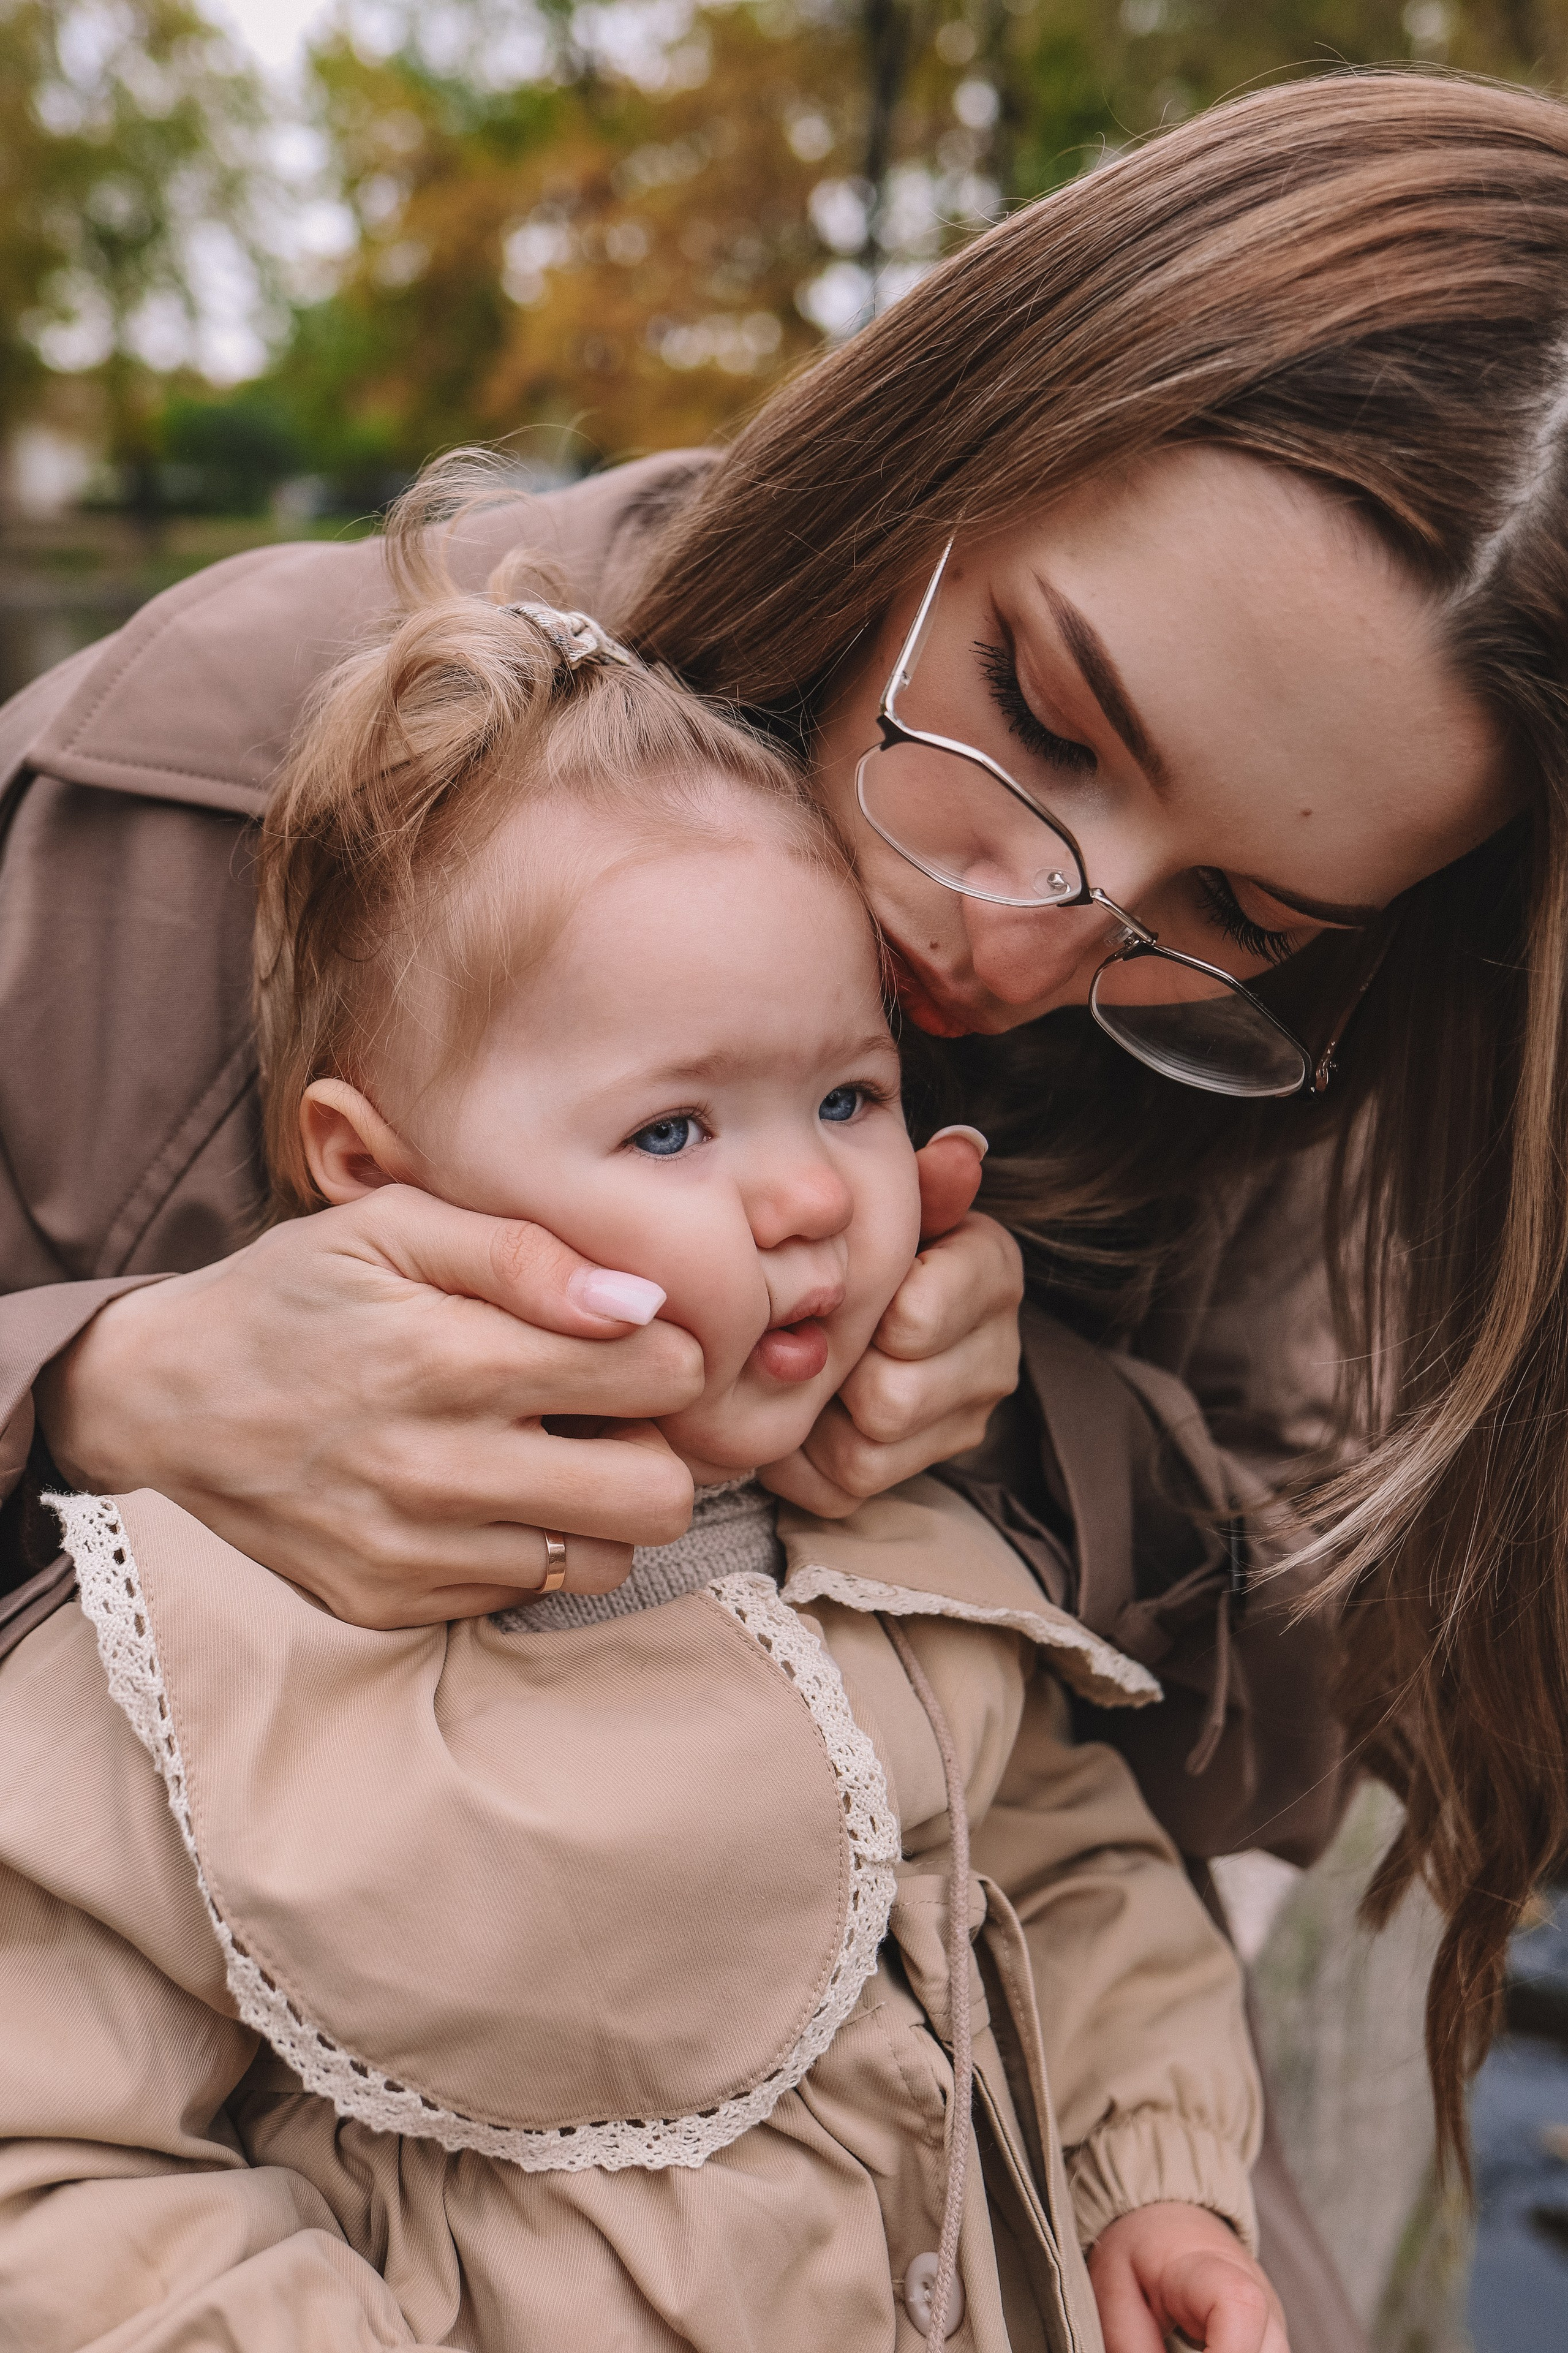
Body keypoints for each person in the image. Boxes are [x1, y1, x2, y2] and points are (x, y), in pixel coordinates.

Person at [2, 58, 1566, 2278]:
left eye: (1238, 910)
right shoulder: (204, 774)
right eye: (1038, 708)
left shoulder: (1305, 1064)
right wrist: (95, 1388)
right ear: (947, 429)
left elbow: (1279, 1729)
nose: (1018, 934)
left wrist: (1023, 1437)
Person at [0, 546, 1285, 2353]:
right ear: (374, 1177)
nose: (800, 1196)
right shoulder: (210, 1647)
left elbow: (1066, 1874)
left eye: (846, 1097)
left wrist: (1148, 2179)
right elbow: (52, 2165)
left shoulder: (898, 1540)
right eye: (674, 1126)